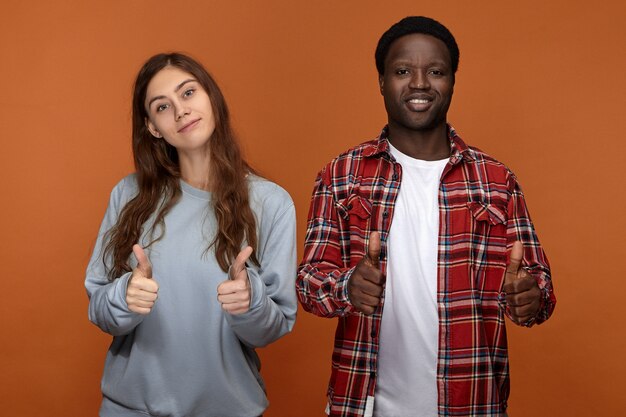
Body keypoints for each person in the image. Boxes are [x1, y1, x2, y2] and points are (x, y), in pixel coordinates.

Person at [296, 16, 556, 417]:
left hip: (472, 403)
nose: (419, 83)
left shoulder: (496, 181)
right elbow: (310, 281)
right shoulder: (341, 175)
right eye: (402, 71)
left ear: (452, 80)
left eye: (435, 71)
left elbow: (539, 287)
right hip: (363, 405)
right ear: (382, 81)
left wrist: (530, 297)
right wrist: (348, 286)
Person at [85, 52, 297, 417]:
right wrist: (125, 296)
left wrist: (250, 302)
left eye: (187, 93)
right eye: (162, 106)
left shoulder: (271, 202)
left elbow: (272, 328)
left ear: (211, 98)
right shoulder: (129, 194)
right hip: (131, 409)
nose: (180, 111)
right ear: (152, 127)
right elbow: (99, 308)